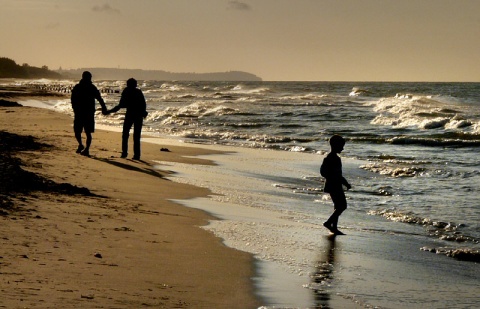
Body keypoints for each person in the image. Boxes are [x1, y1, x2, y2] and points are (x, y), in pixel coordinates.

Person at [105, 78, 147, 160]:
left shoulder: (127, 91)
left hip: (130, 114)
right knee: (136, 136)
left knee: (125, 134)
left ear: (128, 84)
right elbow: (143, 104)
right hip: (138, 115)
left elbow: (121, 105)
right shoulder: (138, 92)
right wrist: (144, 112)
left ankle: (124, 153)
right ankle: (136, 155)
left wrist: (109, 111)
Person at [320, 135, 351, 235]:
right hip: (335, 185)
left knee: (337, 206)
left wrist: (330, 177)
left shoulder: (329, 158)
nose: (342, 148)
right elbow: (337, 175)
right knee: (342, 206)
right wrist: (346, 183)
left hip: (331, 185)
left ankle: (334, 227)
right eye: (341, 146)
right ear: (335, 145)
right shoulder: (334, 159)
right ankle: (329, 223)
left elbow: (323, 172)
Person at [71, 71, 107, 157]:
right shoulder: (83, 87)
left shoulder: (88, 87)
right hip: (84, 112)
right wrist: (104, 108)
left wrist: (104, 107)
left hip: (85, 112)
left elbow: (99, 98)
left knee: (85, 131)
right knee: (80, 131)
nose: (89, 78)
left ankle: (85, 148)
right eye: (89, 77)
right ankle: (82, 146)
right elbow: (73, 99)